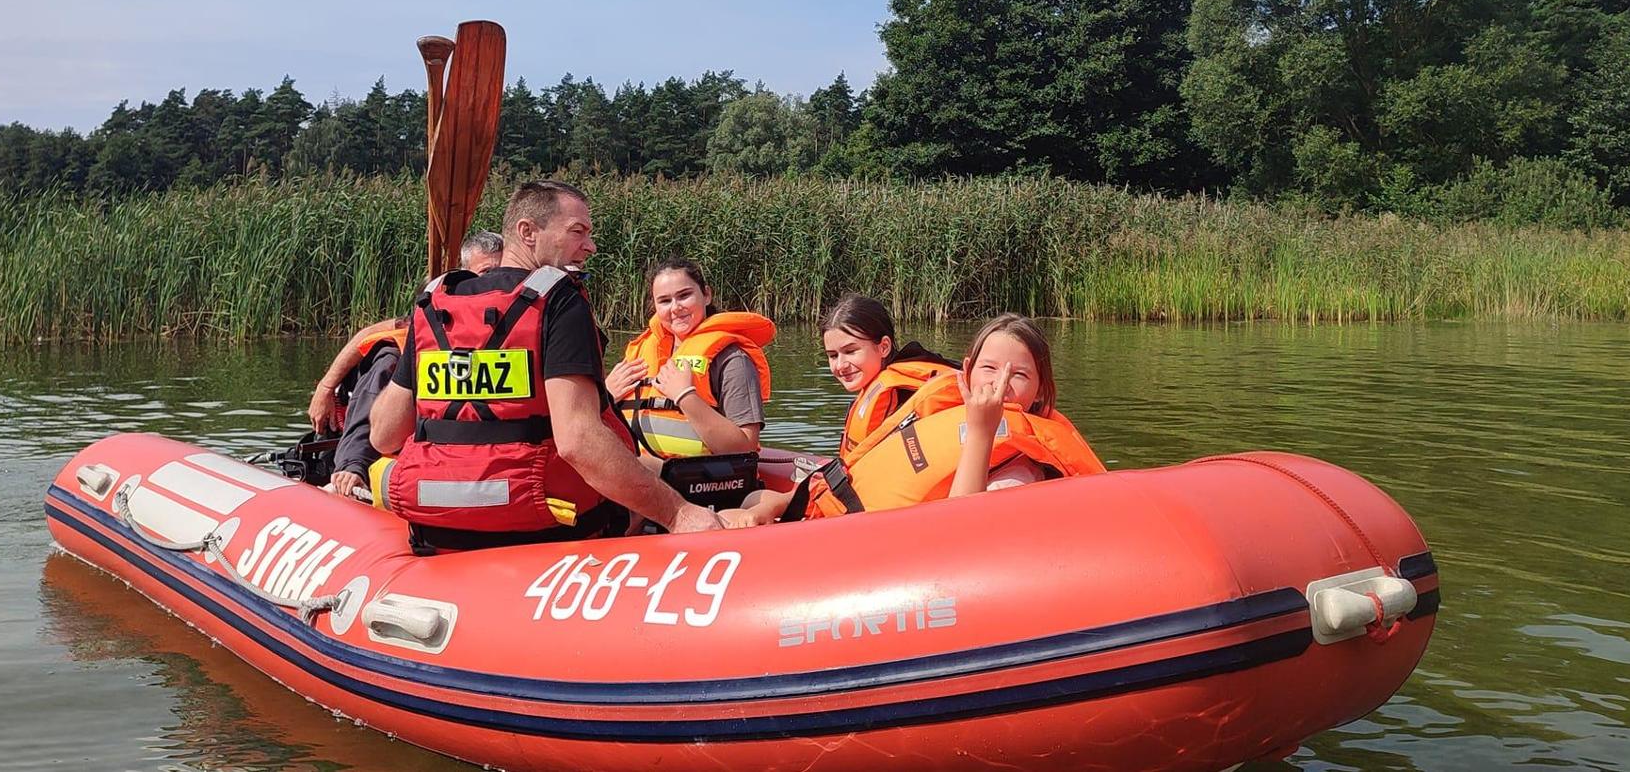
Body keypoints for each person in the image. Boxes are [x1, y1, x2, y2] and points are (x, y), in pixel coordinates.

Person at [369, 180, 727, 551]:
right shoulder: (559, 300)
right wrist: (678, 514)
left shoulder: (436, 305)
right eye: (578, 232)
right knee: (639, 503)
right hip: (544, 532)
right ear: (528, 232)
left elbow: (384, 435)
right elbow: (578, 441)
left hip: (437, 533)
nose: (590, 246)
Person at [724, 313, 1103, 525]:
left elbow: (961, 527)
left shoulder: (1022, 470)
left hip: (859, 542)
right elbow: (850, 470)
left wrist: (982, 431)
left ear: (1039, 389)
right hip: (828, 514)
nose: (999, 383)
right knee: (749, 503)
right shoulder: (936, 406)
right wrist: (773, 506)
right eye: (989, 368)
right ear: (967, 371)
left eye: (1017, 375)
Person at [307, 232, 505, 501]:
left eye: (502, 273)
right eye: (486, 273)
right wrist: (353, 465)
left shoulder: (513, 326)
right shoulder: (404, 345)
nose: (494, 283)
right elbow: (372, 344)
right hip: (393, 457)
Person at [607, 258, 773, 459]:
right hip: (638, 472)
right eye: (665, 301)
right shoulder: (640, 353)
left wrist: (685, 396)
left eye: (684, 296)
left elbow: (744, 448)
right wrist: (604, 398)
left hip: (705, 480)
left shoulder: (733, 360)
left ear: (707, 295)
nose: (675, 308)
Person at [817, 294, 959, 462]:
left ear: (884, 347)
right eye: (833, 356)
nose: (840, 365)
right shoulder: (884, 387)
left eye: (850, 351)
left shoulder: (907, 395)